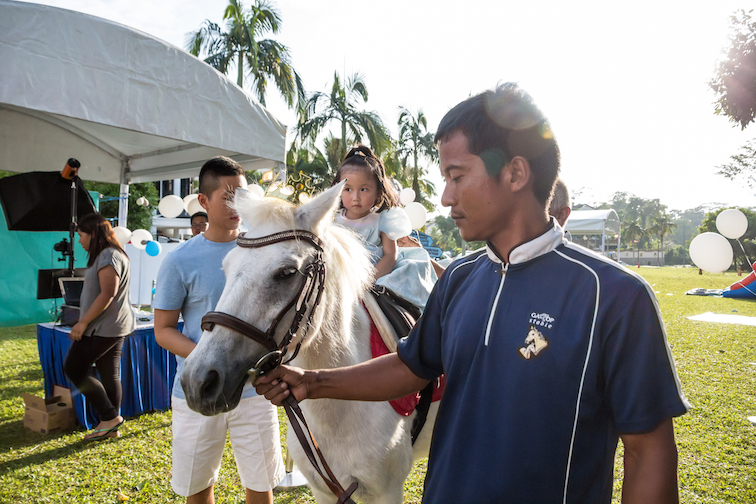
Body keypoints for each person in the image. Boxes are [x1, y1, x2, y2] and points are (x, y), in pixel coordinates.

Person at [256, 83, 689, 503]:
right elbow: (411, 367)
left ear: (516, 172)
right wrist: (311, 382)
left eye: (456, 176)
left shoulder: (614, 296)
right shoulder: (458, 279)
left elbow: (648, 450)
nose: (445, 197)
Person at [153, 156, 284, 504]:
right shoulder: (180, 260)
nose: (236, 205)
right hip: (198, 390)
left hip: (255, 392)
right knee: (198, 488)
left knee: (260, 486)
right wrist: (211, 361)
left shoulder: (264, 251)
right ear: (203, 201)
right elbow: (163, 330)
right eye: (226, 196)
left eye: (241, 195)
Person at [331, 146, 437, 309]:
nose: (355, 197)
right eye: (348, 189)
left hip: (377, 274)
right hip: (342, 278)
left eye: (364, 189)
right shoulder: (333, 221)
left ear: (378, 191)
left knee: (399, 286)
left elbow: (390, 255)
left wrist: (365, 282)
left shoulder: (383, 219)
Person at [64, 213, 136, 441]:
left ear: (94, 234)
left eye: (81, 235)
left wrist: (83, 322)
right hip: (113, 326)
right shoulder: (112, 254)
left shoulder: (108, 256)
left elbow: (108, 293)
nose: (79, 241)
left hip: (103, 327)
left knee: (74, 368)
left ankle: (109, 416)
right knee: (108, 374)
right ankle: (111, 427)